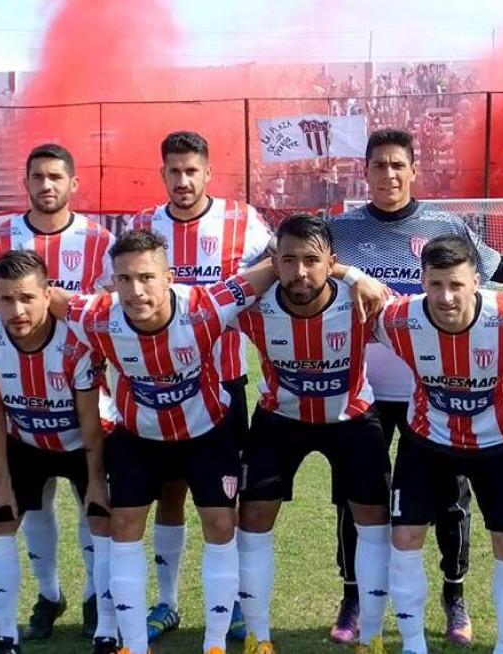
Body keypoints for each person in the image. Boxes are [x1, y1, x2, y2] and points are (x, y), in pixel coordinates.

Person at [58, 228, 381, 654]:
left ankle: (225, 642)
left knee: (227, 523)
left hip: (222, 432)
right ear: (113, 282)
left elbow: (292, 267)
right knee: (130, 526)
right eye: (125, 280)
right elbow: (45, 297)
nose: (136, 290)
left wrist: (350, 273)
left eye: (147, 277)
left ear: (169, 277)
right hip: (151, 434)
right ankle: (149, 644)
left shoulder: (208, 307)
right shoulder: (98, 314)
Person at [328, 127, 503, 646]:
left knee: (450, 501)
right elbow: (296, 260)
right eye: (379, 166)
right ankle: (353, 596)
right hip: (365, 390)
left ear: (414, 169)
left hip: (439, 391)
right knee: (360, 500)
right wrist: (352, 275)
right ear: (366, 171)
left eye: (399, 165)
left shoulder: (445, 225)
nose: (389, 175)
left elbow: (498, 266)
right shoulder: (342, 230)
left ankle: (454, 593)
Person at [372, 234, 503, 654]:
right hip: (426, 440)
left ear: (477, 282)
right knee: (405, 536)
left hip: (498, 445)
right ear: (422, 282)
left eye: (456, 284)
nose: (446, 297)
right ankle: (413, 644)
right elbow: (341, 311)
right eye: (435, 285)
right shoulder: (397, 318)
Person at [0, 143, 116, 641]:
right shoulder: (0, 233)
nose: (46, 186)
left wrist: (72, 309)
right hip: (25, 409)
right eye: (37, 177)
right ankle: (49, 595)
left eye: (55, 177)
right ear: (25, 183)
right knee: (32, 510)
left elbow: (119, 306)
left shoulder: (99, 238)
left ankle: (95, 598)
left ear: (73, 183)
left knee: (97, 508)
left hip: (86, 391)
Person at [130, 131, 273, 643]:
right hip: (158, 385)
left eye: (192, 171)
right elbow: (118, 291)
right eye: (174, 171)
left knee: (220, 500)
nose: (183, 181)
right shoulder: (144, 226)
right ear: (163, 173)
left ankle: (229, 600)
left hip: (223, 382)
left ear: (208, 172)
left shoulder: (242, 221)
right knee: (168, 493)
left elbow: (280, 261)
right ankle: (166, 602)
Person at [236, 213, 392, 654]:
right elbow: (209, 301)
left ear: (332, 263)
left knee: (373, 523)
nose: (300, 272)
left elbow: (406, 312)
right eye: (288, 260)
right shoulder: (255, 307)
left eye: (312, 260)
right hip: (279, 420)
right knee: (252, 520)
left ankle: (373, 637)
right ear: (273, 262)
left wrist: (355, 276)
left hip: (353, 420)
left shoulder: (360, 300)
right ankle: (257, 637)